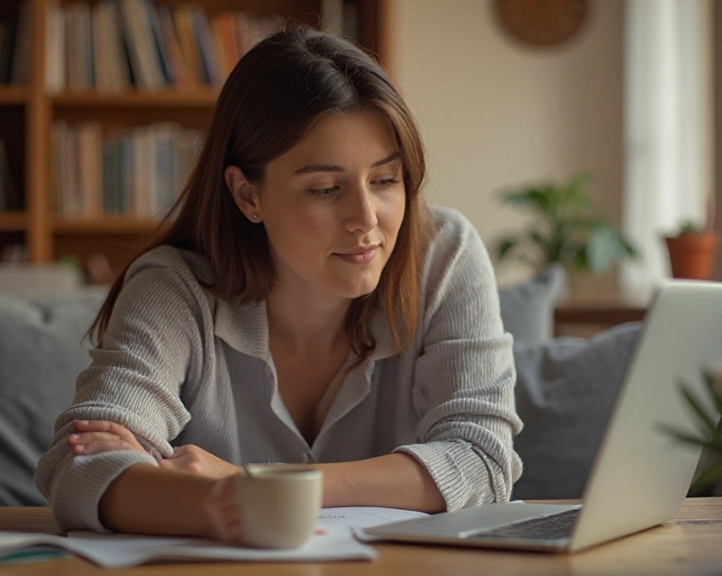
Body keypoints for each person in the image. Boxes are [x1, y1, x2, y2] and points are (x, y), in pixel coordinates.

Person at [34, 27, 522, 542]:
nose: (366, 218)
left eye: (385, 180)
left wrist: (258, 485)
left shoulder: (442, 256)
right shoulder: (176, 287)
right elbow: (79, 464)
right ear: (248, 195)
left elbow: (483, 461)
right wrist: (216, 503)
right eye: (325, 188)